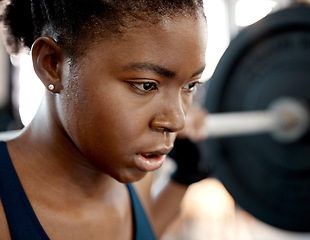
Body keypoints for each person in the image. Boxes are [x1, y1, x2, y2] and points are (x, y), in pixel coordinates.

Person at [0, 0, 209, 239]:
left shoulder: (135, 175)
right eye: (146, 85)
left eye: (190, 85)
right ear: (52, 64)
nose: (176, 121)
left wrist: (185, 177)